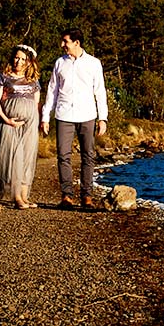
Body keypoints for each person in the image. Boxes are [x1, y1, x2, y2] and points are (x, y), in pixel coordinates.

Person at [40, 32, 108, 208]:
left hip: (87, 115)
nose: (62, 44)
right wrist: (45, 116)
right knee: (63, 155)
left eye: (66, 41)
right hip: (64, 115)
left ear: (76, 42)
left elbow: (100, 92)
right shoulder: (59, 63)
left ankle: (87, 196)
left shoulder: (94, 63)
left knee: (88, 156)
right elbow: (52, 91)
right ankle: (67, 196)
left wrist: (103, 118)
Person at [0, 44, 42, 208]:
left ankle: (24, 195)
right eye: (17, 57)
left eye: (23, 59)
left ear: (29, 61)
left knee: (28, 158)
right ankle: (16, 198)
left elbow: (36, 102)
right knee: (15, 157)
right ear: (12, 58)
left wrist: (37, 120)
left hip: (30, 123)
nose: (19, 61)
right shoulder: (4, 76)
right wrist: (6, 120)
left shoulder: (33, 79)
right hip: (10, 123)